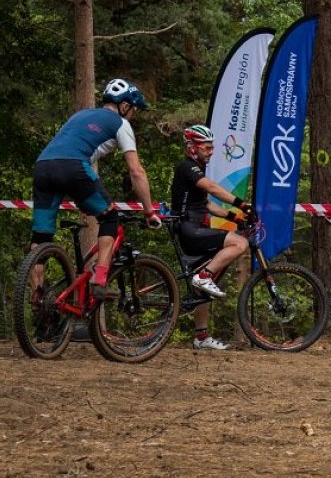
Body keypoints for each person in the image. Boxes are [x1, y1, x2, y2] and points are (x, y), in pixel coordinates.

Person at [31, 78, 162, 299]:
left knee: (41, 235)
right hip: (73, 166)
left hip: (43, 166)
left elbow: (71, 149)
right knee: (110, 218)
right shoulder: (121, 124)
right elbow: (136, 171)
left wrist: (83, 199)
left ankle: (37, 296)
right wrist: (149, 212)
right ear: (124, 105)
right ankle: (100, 279)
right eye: (134, 110)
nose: (133, 115)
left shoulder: (79, 115)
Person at [170, 124, 255, 350]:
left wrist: (235, 218)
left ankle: (201, 336)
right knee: (240, 243)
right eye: (206, 147)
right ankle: (204, 275)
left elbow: (206, 204)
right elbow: (212, 188)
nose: (211, 151)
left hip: (194, 227)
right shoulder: (187, 167)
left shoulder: (197, 168)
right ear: (192, 147)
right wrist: (242, 204)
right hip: (189, 230)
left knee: (204, 287)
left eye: (212, 147)